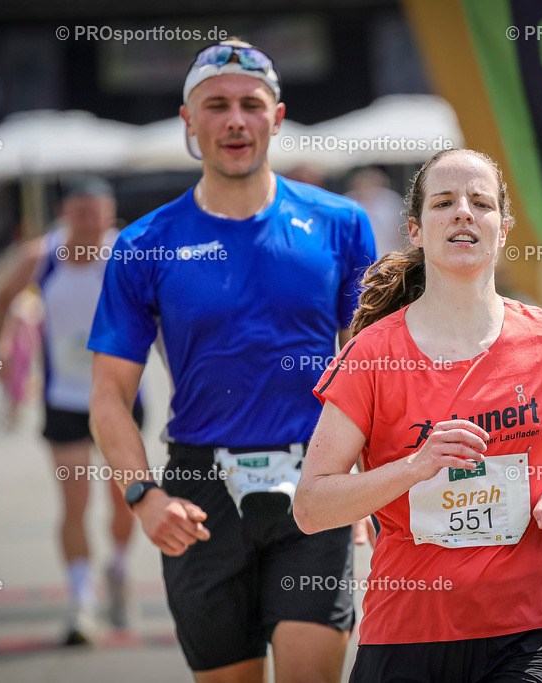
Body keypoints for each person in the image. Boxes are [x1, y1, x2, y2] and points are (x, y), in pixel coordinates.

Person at [88, 39, 377, 682]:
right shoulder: (144, 245)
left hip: (313, 482)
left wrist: (368, 486)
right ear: (188, 121)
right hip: (197, 496)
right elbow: (109, 395)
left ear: (277, 118)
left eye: (251, 104)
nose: (235, 120)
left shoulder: (341, 225)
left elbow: (372, 369)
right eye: (215, 105)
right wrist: (142, 496)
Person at [293, 148, 542, 682]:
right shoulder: (371, 355)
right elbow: (312, 508)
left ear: (502, 230)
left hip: (526, 635)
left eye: (481, 202)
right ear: (416, 230)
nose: (463, 213)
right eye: (444, 202)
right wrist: (414, 466)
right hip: (405, 635)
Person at [0, 176, 143, 645]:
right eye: (82, 213)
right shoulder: (42, 257)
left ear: (110, 212)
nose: (92, 222)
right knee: (73, 502)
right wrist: (1, 352)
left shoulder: (127, 254)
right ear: (66, 214)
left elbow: (163, 312)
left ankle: (116, 569)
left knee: (125, 503)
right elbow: (1, 298)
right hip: (64, 402)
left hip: (121, 400)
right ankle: (81, 603)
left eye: (100, 212)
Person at [345, 167, 407, 257]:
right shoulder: (349, 201)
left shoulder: (390, 201)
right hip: (357, 257)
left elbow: (401, 230)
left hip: (387, 254)